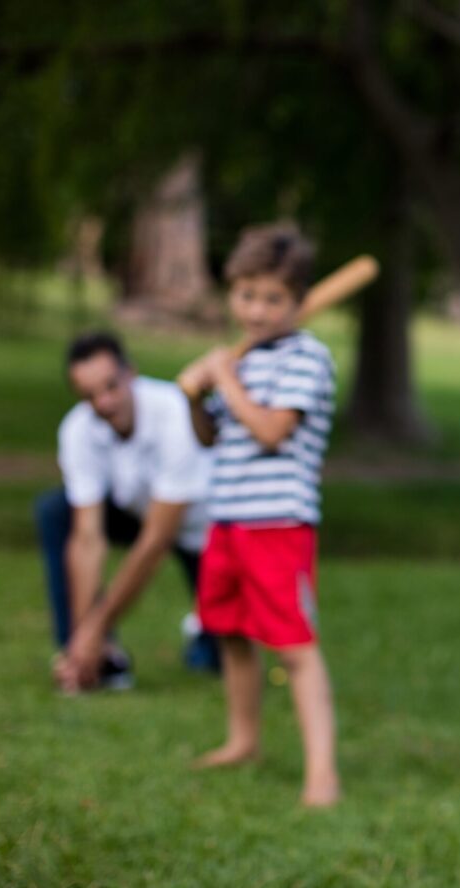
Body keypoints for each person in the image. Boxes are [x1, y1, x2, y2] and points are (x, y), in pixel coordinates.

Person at [178, 222, 340, 807]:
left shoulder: (306, 357)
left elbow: (272, 431)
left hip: (279, 523)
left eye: (273, 298)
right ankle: (243, 740)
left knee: (294, 646)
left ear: (298, 301)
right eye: (246, 295)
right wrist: (197, 395)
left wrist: (221, 376)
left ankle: (323, 773)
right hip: (228, 518)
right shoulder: (241, 361)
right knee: (228, 633)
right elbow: (210, 436)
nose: (257, 310)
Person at [36, 333, 220, 692]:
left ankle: (202, 633)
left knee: (216, 661)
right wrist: (84, 635)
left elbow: (157, 540)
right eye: (89, 395)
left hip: (205, 532)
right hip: (139, 514)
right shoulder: (77, 430)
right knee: (56, 512)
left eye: (110, 387)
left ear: (130, 374)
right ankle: (91, 660)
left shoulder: (173, 411)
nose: (103, 402)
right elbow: (87, 538)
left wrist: (97, 624)